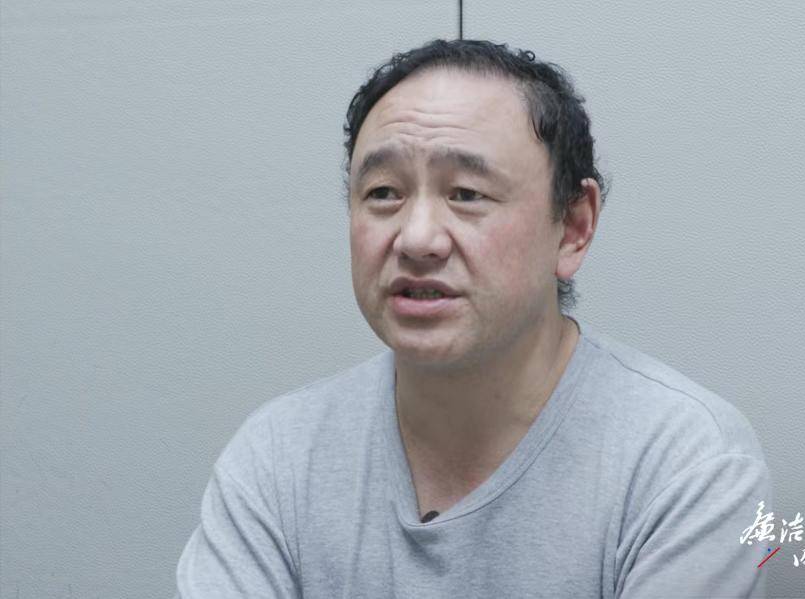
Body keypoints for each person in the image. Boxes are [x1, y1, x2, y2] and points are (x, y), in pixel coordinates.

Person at [175, 39, 772, 598]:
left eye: (466, 194)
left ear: (573, 227)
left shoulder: (686, 463)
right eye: (383, 192)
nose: (417, 238)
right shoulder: (278, 456)